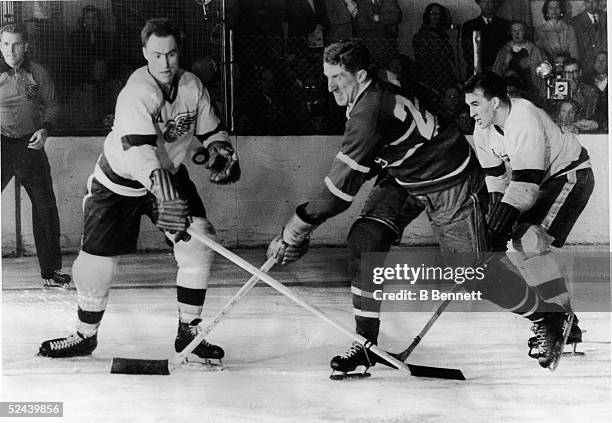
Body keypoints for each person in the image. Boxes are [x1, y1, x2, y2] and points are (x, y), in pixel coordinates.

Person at [267, 40, 571, 376]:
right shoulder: (379, 81)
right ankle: (366, 344)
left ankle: (549, 317)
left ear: (362, 75)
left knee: (472, 275)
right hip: (405, 174)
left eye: (338, 77)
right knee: (365, 240)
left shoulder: (368, 112)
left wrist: (294, 230)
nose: (330, 86)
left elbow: (336, 198)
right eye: (327, 77)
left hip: (450, 179)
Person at [38, 18, 240, 360]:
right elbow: (142, 155)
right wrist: (166, 197)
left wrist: (222, 151)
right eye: (158, 55)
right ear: (145, 53)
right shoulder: (136, 92)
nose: (166, 63)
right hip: (118, 182)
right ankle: (85, 335)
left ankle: (188, 334)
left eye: (172, 54)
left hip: (168, 174)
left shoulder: (192, 86)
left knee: (199, 244)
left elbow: (210, 132)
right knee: (95, 266)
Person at [464, 71, 593, 357]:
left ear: (495, 102)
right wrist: (494, 223)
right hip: (541, 183)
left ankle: (558, 320)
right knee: (523, 242)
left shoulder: (523, 116)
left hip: (571, 175)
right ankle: (563, 322)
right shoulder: (482, 132)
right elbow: (497, 181)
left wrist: (498, 228)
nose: (470, 112)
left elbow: (526, 185)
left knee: (528, 240)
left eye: (475, 104)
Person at [0, 23, 71, 288]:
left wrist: (44, 131)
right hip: (1, 145)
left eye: (16, 44)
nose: (11, 50)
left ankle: (51, 272)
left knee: (45, 207)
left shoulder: (37, 72)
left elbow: (52, 105)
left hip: (30, 144)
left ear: (26, 46)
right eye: (6, 44)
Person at [412, 3, 458, 106]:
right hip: (430, 75)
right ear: (427, 15)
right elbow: (422, 60)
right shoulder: (422, 36)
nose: (435, 16)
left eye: (438, 13)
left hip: (445, 75)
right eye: (432, 13)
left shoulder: (443, 35)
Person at [492, 20, 547, 101]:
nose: (516, 33)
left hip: (529, 93)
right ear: (510, 33)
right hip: (507, 94)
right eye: (514, 30)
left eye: (520, 30)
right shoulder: (504, 51)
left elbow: (542, 76)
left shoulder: (535, 51)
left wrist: (531, 64)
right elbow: (496, 74)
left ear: (525, 32)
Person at [461, 0, 510, 75]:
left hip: (500, 70)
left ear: (495, 3)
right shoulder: (469, 25)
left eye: (490, 1)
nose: (487, 5)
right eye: (483, 1)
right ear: (479, 4)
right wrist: (481, 67)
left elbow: (508, 49)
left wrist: (497, 66)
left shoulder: (505, 24)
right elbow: (467, 52)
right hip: (477, 71)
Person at [570, 0, 607, 76]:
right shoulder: (575, 21)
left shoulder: (607, 17)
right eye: (588, 2)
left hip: (606, 66)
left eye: (594, 2)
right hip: (586, 68)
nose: (591, 5)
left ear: (599, 2)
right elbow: (574, 48)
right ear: (584, 2)